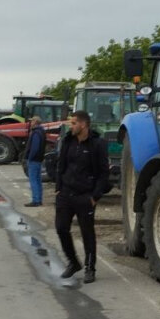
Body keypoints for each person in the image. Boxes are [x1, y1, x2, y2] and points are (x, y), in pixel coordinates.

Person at [55, 110, 109, 284]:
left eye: (73, 123)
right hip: (65, 194)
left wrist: (95, 196)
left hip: (85, 196)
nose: (71, 126)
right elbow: (60, 166)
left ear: (83, 124)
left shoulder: (97, 144)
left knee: (87, 233)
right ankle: (73, 262)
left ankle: (89, 268)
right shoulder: (68, 142)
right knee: (61, 228)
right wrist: (58, 189)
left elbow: (103, 173)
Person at [24, 116, 45, 207]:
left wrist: (30, 157)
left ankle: (35, 200)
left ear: (35, 122)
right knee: (38, 180)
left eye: (32, 121)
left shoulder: (36, 133)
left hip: (34, 160)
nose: (30, 123)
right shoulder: (42, 131)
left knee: (33, 180)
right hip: (39, 159)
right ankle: (39, 199)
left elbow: (35, 148)